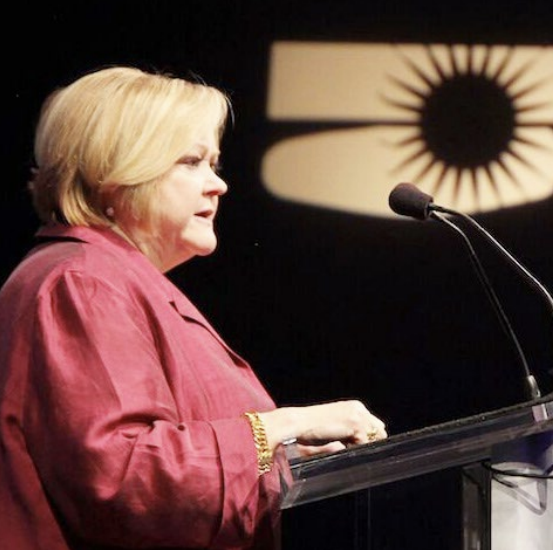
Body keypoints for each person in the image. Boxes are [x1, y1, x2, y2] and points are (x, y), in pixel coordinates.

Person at [0, 65, 388, 550]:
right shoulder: (83, 283)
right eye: (191, 161)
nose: (218, 185)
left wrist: (280, 457)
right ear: (112, 175)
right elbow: (124, 477)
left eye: (215, 164)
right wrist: (288, 423)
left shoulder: (116, 279)